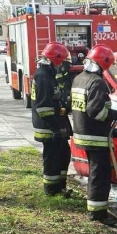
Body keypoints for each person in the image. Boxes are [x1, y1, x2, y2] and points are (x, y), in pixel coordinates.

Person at [71, 45, 117, 222]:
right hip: (95, 137)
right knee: (99, 176)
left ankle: (96, 210)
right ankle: (97, 214)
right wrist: (115, 114)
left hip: (83, 133)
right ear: (104, 63)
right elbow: (96, 111)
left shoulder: (79, 79)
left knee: (96, 174)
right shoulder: (97, 82)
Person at [32, 42, 73, 196]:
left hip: (55, 124)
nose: (62, 64)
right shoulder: (43, 76)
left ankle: (60, 186)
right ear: (54, 60)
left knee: (63, 154)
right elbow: (43, 107)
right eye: (61, 61)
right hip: (48, 127)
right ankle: (51, 190)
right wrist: (55, 128)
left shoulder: (48, 74)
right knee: (52, 158)